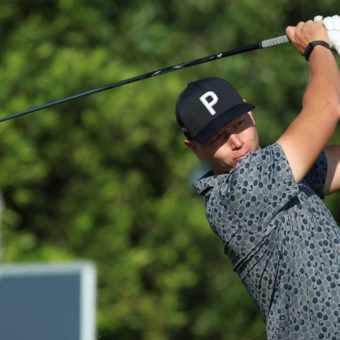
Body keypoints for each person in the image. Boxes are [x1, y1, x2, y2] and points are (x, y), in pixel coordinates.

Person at [175, 16, 340, 339]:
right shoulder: (241, 191)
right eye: (218, 137)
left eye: (237, 124)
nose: (236, 141)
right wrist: (317, 46)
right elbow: (327, 107)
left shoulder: (279, 175)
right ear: (195, 149)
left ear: (250, 114)